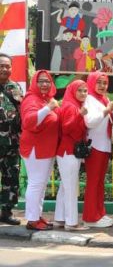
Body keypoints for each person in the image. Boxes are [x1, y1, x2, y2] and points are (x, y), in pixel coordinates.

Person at [20, 70, 60, 230]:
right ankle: (31, 219)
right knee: (36, 184)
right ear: (34, 83)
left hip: (46, 148)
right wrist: (48, 108)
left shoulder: (47, 99)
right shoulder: (31, 99)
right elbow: (29, 122)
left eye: (47, 81)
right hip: (36, 149)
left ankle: (36, 215)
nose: (44, 84)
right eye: (41, 81)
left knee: (41, 184)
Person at [55, 80, 90, 231]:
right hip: (68, 152)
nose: (83, 93)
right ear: (73, 91)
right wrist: (79, 116)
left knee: (65, 187)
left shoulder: (74, 105)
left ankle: (60, 219)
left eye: (85, 90)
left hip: (67, 152)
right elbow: (66, 128)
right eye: (80, 90)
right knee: (70, 188)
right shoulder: (71, 106)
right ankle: (71, 223)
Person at [82, 71, 113, 228]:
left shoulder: (104, 99)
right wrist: (106, 111)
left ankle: (99, 213)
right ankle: (90, 217)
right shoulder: (88, 99)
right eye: (99, 82)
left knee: (99, 183)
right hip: (95, 145)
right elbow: (89, 122)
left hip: (104, 145)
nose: (102, 86)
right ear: (92, 82)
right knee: (93, 183)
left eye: (105, 82)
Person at [0, 53, 23, 225]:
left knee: (11, 178)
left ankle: (6, 212)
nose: (4, 69)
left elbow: (22, 113)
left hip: (11, 143)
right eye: (1, 65)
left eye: (7, 66)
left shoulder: (15, 88)